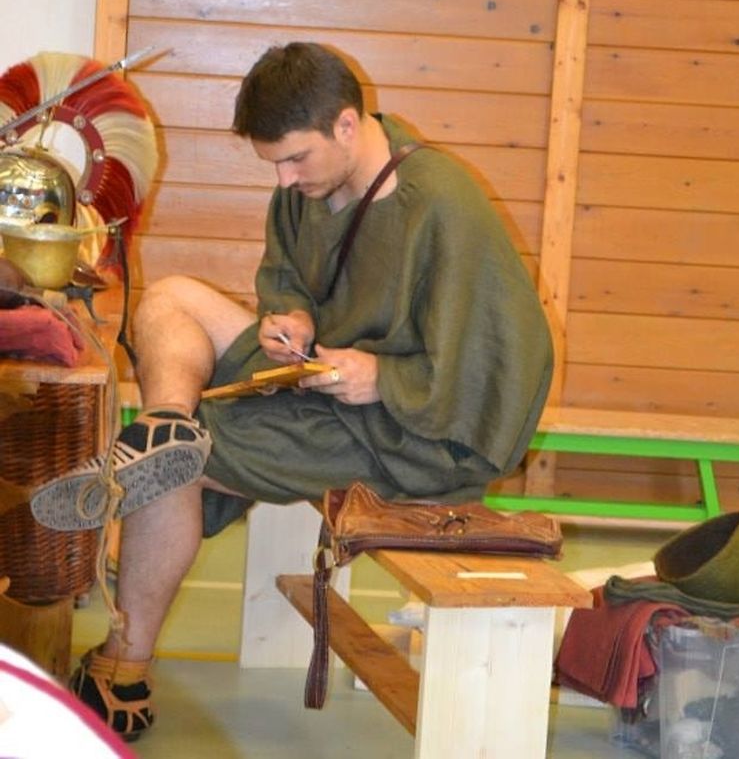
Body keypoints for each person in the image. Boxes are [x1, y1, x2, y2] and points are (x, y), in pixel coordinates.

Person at [31, 41, 553, 741]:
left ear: (346, 124)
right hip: (322, 381)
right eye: (273, 163)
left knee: (193, 460)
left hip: (416, 437)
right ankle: (165, 425)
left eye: (295, 158)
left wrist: (385, 378)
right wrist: (290, 318)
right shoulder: (308, 187)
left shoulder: (441, 204)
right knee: (174, 299)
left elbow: (503, 367)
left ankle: (125, 666)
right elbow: (284, 276)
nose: (283, 179)